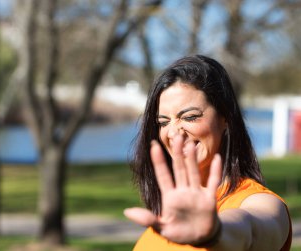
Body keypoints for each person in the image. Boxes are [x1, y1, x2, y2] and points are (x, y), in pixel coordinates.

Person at [124, 55, 292, 251]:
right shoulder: (172, 214)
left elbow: (250, 230)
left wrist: (214, 233)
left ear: (225, 118)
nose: (174, 133)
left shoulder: (261, 203)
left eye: (190, 117)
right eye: (163, 122)